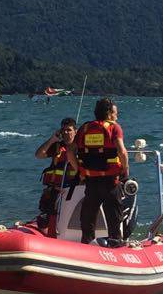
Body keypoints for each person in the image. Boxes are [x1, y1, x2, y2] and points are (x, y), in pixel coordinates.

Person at [67, 98, 129, 244]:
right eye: (115, 113)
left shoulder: (84, 128)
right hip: (110, 181)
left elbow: (70, 152)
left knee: (88, 216)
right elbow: (122, 151)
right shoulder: (114, 128)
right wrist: (124, 170)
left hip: (91, 180)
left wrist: (79, 171)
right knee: (113, 216)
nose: (117, 116)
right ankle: (115, 242)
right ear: (109, 113)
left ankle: (87, 243)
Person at [34, 117, 78, 235]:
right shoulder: (57, 147)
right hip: (55, 189)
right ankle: (45, 231)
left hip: (74, 189)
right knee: (45, 215)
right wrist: (52, 139)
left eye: (69, 130)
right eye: (63, 130)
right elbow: (39, 155)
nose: (65, 133)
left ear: (75, 131)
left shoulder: (81, 148)